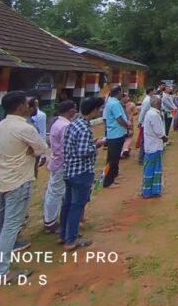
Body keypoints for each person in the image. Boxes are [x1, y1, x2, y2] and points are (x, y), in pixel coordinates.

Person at [0, 91, 48, 282]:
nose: (30, 107)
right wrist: (30, 152)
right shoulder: (24, 128)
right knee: (10, 226)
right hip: (19, 181)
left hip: (1, 181)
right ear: (21, 107)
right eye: (27, 104)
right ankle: (1, 271)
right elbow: (41, 149)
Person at [61, 97, 106, 250]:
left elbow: (73, 147)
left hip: (69, 171)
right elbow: (82, 152)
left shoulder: (73, 125)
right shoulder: (84, 128)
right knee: (77, 206)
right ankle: (71, 240)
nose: (100, 111)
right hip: (81, 172)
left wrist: (91, 143)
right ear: (93, 110)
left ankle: (64, 235)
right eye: (99, 109)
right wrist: (97, 145)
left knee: (67, 205)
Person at [42, 100, 76, 233]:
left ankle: (50, 218)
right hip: (62, 163)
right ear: (71, 111)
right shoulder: (65, 126)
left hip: (57, 162)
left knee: (54, 191)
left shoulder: (57, 123)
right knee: (55, 192)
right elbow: (66, 147)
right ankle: (50, 222)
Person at [103, 86, 129, 188]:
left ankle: (111, 178)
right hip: (116, 134)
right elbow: (119, 119)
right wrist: (127, 125)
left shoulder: (111, 102)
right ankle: (108, 181)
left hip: (115, 134)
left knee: (113, 159)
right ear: (118, 93)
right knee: (112, 160)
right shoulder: (114, 103)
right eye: (121, 92)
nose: (122, 95)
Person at [141, 96, 167, 198]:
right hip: (155, 145)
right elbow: (159, 132)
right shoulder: (154, 115)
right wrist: (165, 138)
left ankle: (153, 190)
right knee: (152, 168)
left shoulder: (149, 113)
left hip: (151, 144)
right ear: (158, 103)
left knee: (153, 168)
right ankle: (148, 191)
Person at [137, 87, 154, 165]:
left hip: (147, 123)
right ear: (150, 91)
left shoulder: (148, 99)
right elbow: (143, 112)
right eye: (153, 91)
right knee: (144, 141)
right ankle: (141, 159)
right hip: (145, 124)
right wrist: (140, 121)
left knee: (146, 141)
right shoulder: (147, 101)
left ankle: (144, 157)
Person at [120, 92, 136, 158]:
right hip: (129, 123)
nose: (128, 98)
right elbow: (135, 112)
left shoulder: (118, 105)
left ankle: (124, 150)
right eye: (126, 96)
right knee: (129, 136)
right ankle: (125, 149)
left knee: (123, 137)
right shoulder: (131, 104)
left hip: (121, 123)